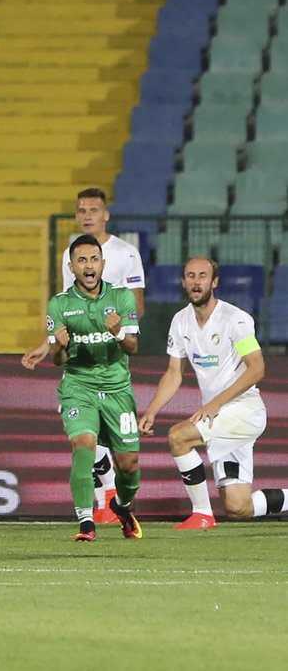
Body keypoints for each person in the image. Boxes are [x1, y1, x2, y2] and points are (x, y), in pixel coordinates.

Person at [22, 187, 146, 524]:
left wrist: (119, 332)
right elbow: (67, 310)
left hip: (115, 360)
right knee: (85, 442)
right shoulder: (70, 255)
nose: (87, 215)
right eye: (81, 210)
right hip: (81, 372)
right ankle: (91, 511)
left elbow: (136, 307)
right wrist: (50, 345)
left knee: (126, 461)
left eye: (93, 209)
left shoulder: (126, 253)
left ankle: (118, 501)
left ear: (106, 215)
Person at [138, 258, 288, 528]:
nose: (197, 282)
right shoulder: (180, 321)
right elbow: (174, 372)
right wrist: (152, 410)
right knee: (239, 506)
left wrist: (215, 404)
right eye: (191, 276)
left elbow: (257, 369)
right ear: (183, 282)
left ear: (214, 282)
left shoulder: (235, 319)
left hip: (243, 411)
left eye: (203, 276)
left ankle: (202, 514)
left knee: (178, 437)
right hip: (219, 419)